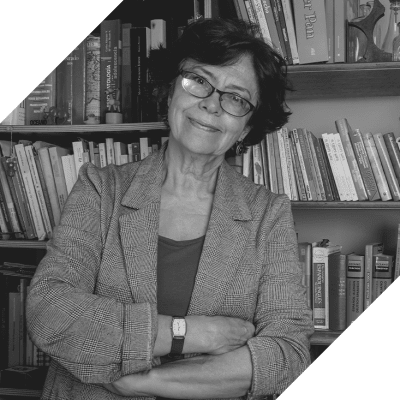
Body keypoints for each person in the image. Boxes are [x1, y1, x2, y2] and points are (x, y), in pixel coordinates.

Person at [26, 17, 313, 400]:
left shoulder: (268, 214)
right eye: (199, 80)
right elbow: (49, 311)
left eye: (236, 98)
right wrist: (193, 333)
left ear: (246, 127)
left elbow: (288, 354)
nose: (211, 103)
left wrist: (144, 382)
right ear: (170, 93)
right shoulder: (100, 189)